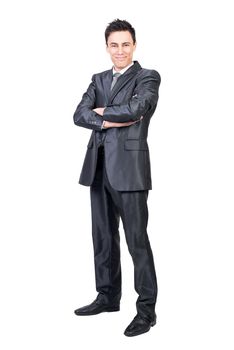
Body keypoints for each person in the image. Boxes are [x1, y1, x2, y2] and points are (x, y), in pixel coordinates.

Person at [73, 19, 161, 337]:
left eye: (126, 44)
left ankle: (146, 311)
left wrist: (101, 114)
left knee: (137, 242)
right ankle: (108, 297)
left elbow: (139, 108)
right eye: (114, 45)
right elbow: (79, 114)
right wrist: (111, 118)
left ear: (134, 45)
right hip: (98, 169)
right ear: (107, 47)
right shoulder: (97, 79)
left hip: (130, 170)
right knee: (103, 238)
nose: (120, 50)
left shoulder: (147, 76)